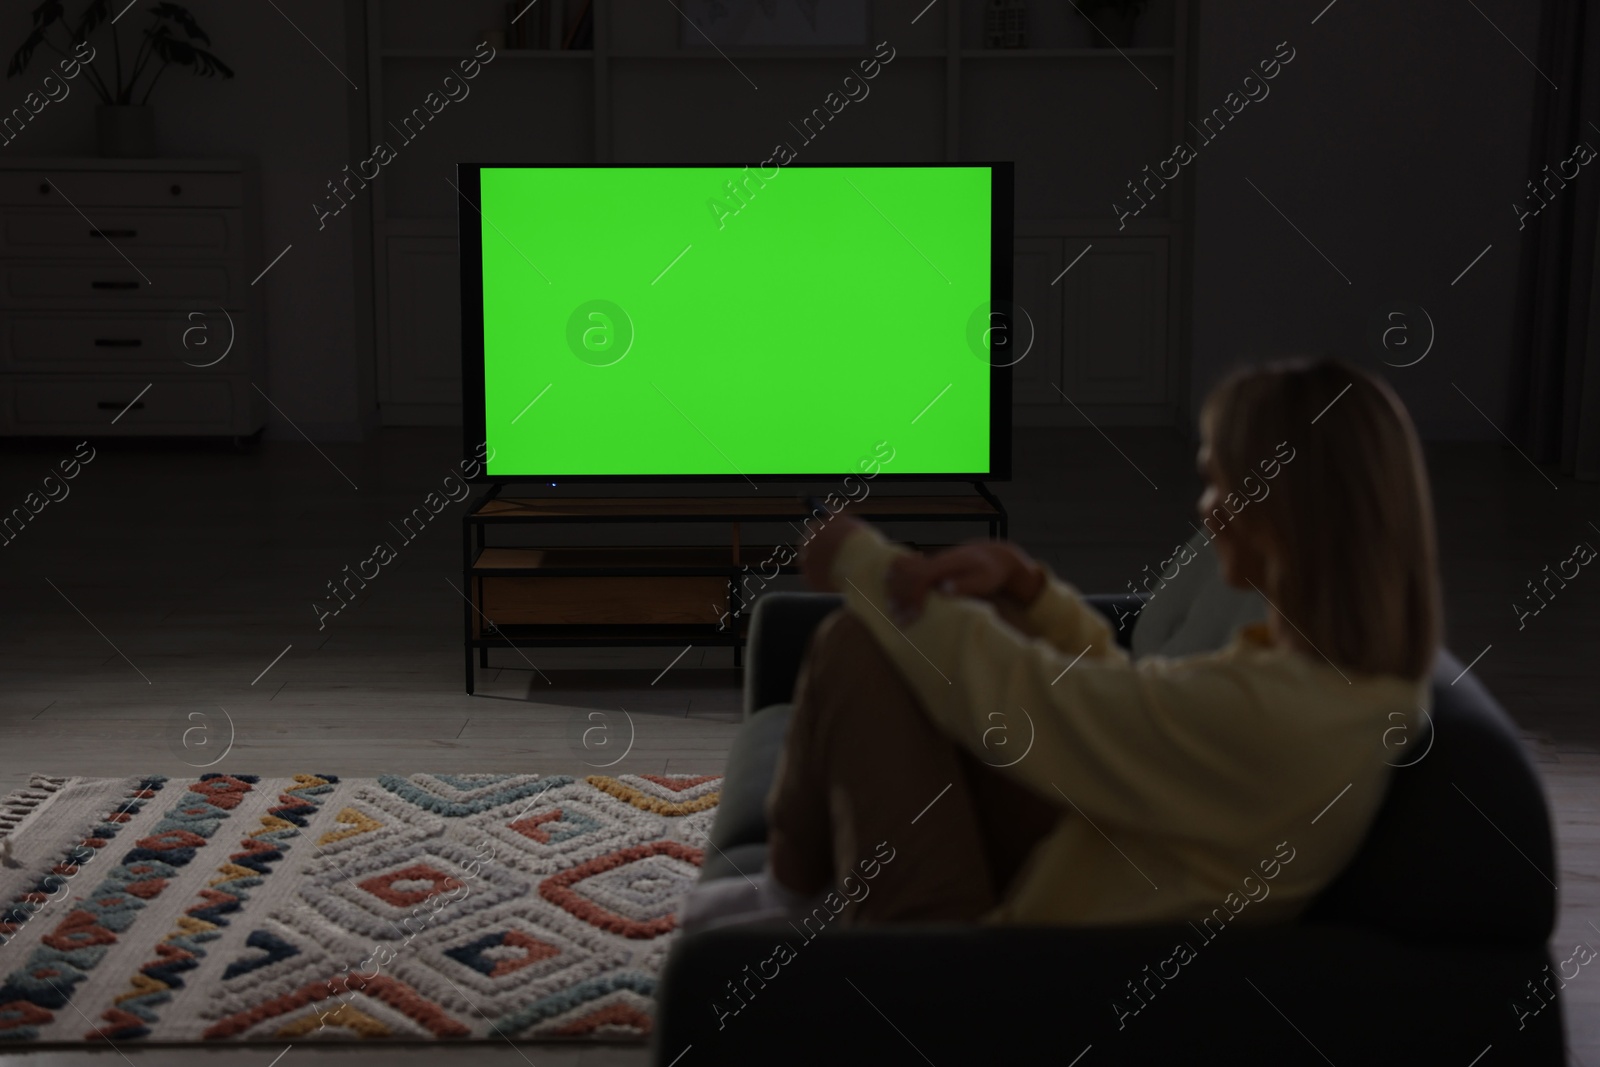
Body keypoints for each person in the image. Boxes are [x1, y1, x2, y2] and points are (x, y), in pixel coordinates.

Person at [680, 356, 1441, 930]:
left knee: (857, 641)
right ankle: (795, 889)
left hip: (1016, 957)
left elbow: (1042, 700)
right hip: (1097, 851)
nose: (1207, 509)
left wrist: (855, 557)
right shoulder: (1338, 680)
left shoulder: (1279, 713)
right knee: (925, 633)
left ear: (1280, 511)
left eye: (1220, 483)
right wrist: (1026, 590)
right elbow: (1132, 711)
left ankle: (792, 899)